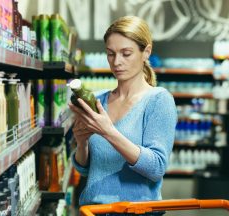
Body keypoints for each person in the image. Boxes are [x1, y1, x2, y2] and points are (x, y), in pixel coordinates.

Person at [69, 16, 177, 215]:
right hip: (94, 210)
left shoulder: (158, 101)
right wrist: (81, 142)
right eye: (110, 54)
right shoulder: (98, 101)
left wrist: (109, 132)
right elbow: (86, 170)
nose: (117, 62)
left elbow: (156, 168)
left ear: (146, 52)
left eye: (126, 53)